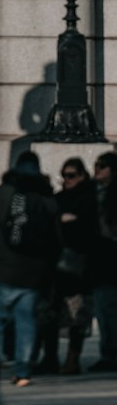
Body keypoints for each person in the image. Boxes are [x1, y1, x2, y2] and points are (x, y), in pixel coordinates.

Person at [0, 149, 59, 386]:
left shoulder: (1, 194)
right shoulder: (45, 197)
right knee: (26, 322)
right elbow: (56, 238)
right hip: (32, 272)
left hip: (1, 267)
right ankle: (22, 371)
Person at [42, 157, 96, 376]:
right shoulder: (58, 198)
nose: (67, 179)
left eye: (71, 175)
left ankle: (72, 360)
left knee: (76, 316)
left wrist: (71, 221)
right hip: (57, 264)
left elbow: (89, 228)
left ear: (82, 175)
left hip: (80, 266)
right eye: (64, 175)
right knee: (51, 315)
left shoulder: (89, 198)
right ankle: (50, 358)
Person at [90, 152, 117, 371]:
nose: (98, 169)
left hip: (110, 256)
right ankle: (107, 353)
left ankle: (110, 354)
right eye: (97, 165)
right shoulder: (92, 193)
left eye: (103, 166)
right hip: (99, 259)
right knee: (103, 310)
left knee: (110, 309)